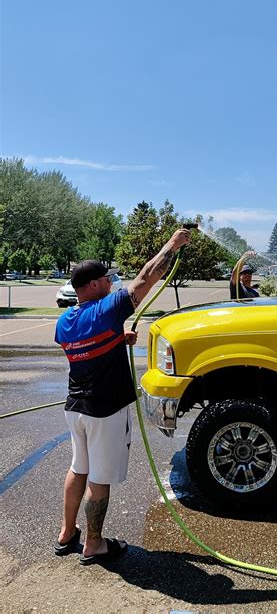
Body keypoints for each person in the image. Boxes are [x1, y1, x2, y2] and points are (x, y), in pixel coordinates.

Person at [53, 228, 191, 565]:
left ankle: (67, 534)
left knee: (78, 468)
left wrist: (116, 338)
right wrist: (173, 244)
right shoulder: (107, 309)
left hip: (76, 408)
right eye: (107, 279)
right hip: (105, 411)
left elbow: (86, 348)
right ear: (93, 286)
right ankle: (94, 544)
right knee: (99, 479)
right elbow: (147, 276)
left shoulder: (64, 321)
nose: (112, 283)